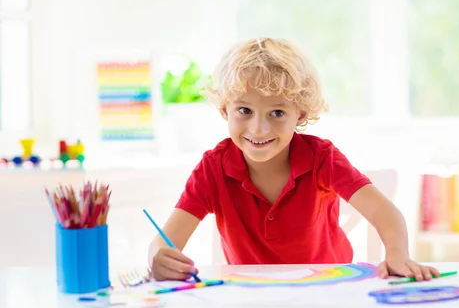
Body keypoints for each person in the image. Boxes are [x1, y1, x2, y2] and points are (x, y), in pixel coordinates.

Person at [148, 37, 439, 282]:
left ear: (299, 115)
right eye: (244, 111)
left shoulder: (321, 158)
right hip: (253, 301)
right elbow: (164, 242)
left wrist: (398, 254)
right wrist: (157, 259)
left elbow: (383, 211)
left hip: (330, 294)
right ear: (225, 110)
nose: (258, 129)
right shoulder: (213, 168)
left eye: (277, 113)